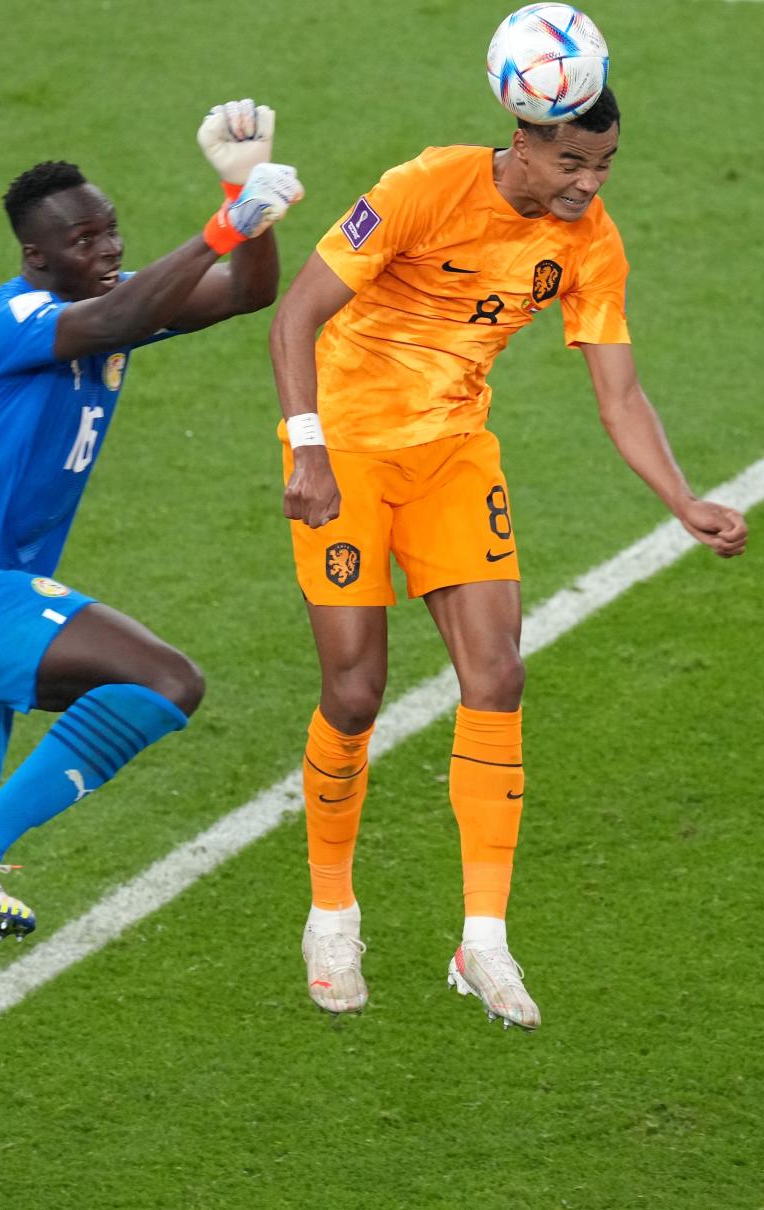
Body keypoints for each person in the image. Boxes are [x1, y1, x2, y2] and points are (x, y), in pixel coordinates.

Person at [0, 100, 302, 1210]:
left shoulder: (110, 306)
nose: (108, 247)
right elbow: (140, 298)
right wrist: (225, 220)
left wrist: (255, 203)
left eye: (113, 227)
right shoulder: (20, 313)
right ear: (39, 254)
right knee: (168, 680)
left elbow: (246, 294)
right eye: (85, 238)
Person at [269, 85, 747, 1031]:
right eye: (573, 163)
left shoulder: (590, 240)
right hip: (348, 453)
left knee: (497, 675)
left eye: (604, 165)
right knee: (355, 693)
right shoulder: (426, 186)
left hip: (452, 454)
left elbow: (620, 394)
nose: (588, 184)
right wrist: (309, 447)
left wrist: (681, 498)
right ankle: (332, 913)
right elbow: (295, 318)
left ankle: (481, 942)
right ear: (523, 143)